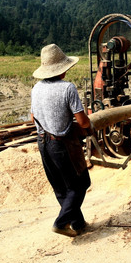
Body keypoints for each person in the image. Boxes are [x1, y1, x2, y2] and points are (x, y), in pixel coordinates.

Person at [31, 44, 93, 237]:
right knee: (81, 184)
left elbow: (33, 117)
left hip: (42, 142)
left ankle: (78, 224)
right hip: (61, 144)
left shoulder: (36, 88)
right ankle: (61, 222)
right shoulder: (68, 88)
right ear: (62, 70)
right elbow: (82, 121)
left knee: (60, 187)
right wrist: (89, 126)